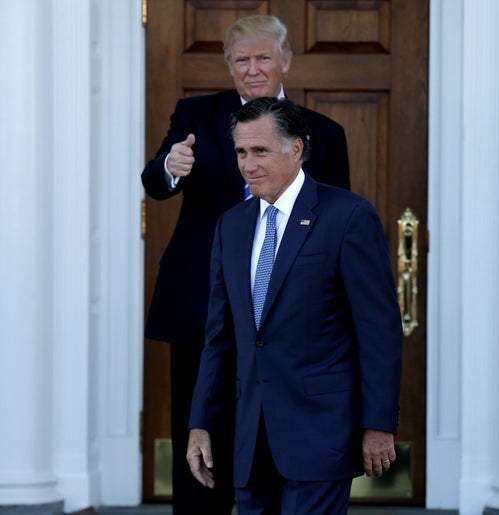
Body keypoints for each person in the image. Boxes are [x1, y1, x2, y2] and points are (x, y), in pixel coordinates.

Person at [141, 15, 350, 515]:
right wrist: (170, 168)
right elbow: (153, 181)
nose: (252, 69)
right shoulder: (194, 116)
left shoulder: (321, 133)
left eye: (263, 58)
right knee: (200, 434)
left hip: (289, 310)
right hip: (203, 305)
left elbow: (338, 224)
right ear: (229, 65)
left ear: (285, 62)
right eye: (242, 60)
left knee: (279, 432)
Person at [186, 97, 403, 514]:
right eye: (241, 153)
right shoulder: (231, 225)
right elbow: (221, 337)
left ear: (296, 148)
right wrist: (201, 422)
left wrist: (378, 425)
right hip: (250, 439)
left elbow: (378, 331)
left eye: (260, 151)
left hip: (321, 433)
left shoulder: (348, 216)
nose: (248, 164)